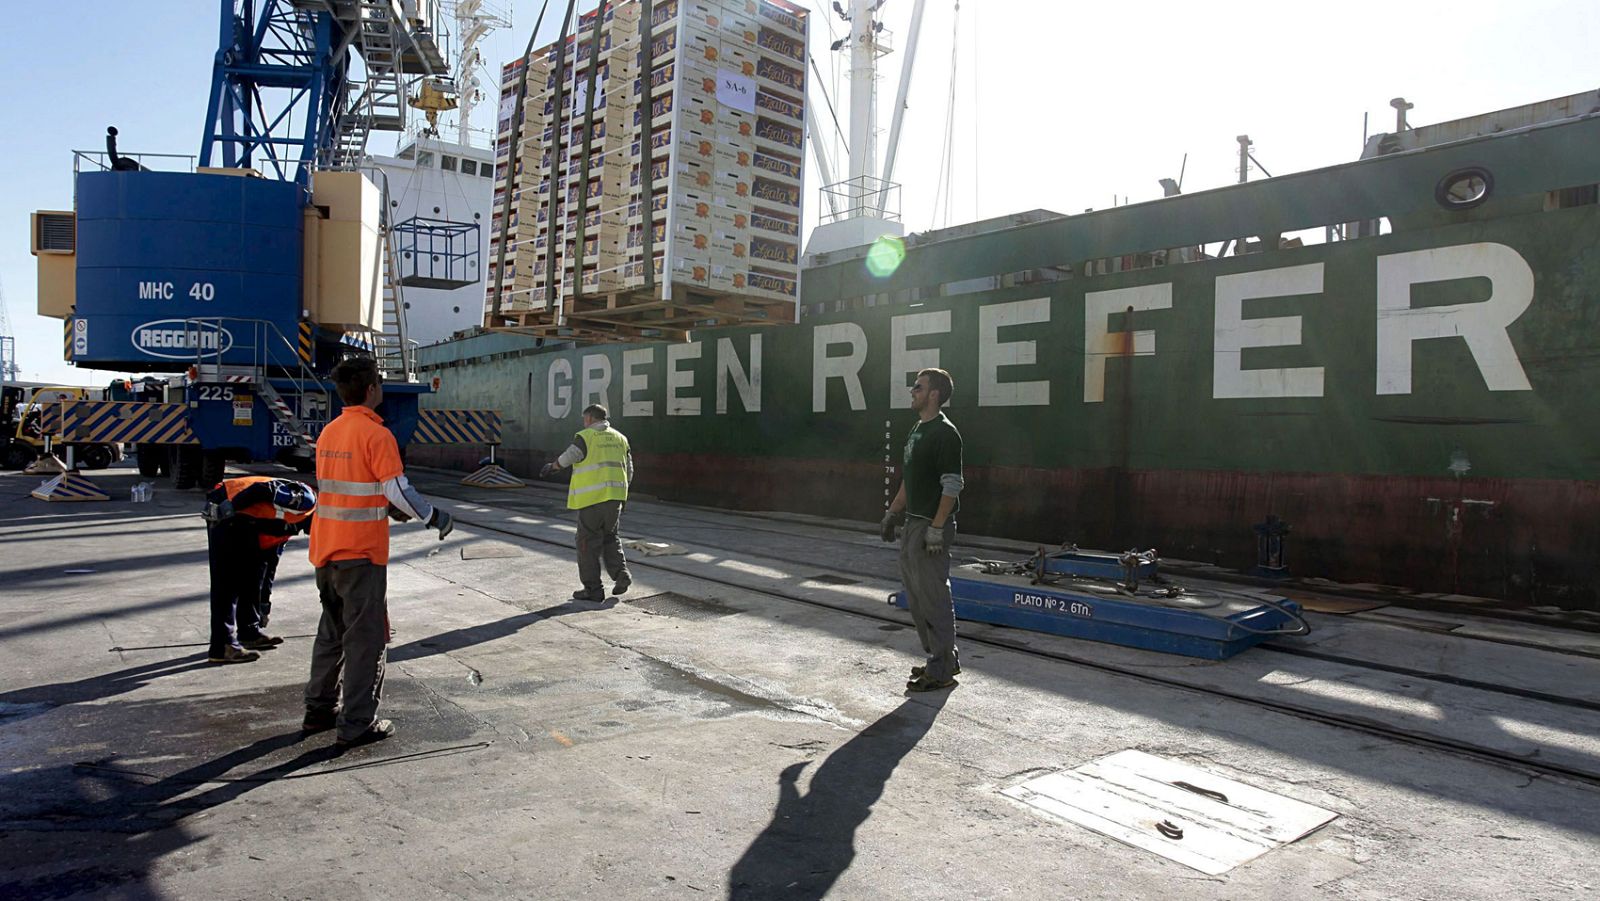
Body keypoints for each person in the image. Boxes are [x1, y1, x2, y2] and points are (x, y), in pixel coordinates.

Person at [304, 356, 454, 748]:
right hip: (362, 556)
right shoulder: (377, 435)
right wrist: (432, 516)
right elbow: (396, 487)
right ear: (372, 389)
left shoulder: (329, 433)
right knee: (366, 640)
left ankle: (318, 710)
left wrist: (387, 508)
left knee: (331, 634)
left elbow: (347, 487)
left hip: (326, 550)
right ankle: (357, 724)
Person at [881, 368, 964, 693]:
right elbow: (909, 479)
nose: (912, 391)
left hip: (931, 527)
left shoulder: (945, 433)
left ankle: (942, 668)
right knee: (916, 598)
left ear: (934, 394)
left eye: (918, 387)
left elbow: (952, 485)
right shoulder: (918, 430)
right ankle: (942, 659)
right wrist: (893, 512)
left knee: (933, 597)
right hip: (913, 523)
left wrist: (937, 529)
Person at [201, 475, 317, 664]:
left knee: (252, 575)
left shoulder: (289, 525)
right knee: (227, 582)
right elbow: (261, 490)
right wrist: (229, 508)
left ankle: (249, 632)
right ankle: (222, 646)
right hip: (227, 506)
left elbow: (268, 568)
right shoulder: (306, 501)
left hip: (244, 522)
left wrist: (264, 607)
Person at [539, 403, 633, 602]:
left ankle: (593, 589)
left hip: (592, 500)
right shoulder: (621, 439)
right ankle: (621, 574)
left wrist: (553, 466)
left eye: (585, 419)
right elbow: (629, 470)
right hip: (615, 499)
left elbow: (572, 455)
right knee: (610, 537)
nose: (584, 422)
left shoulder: (586, 436)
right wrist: (621, 493)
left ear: (589, 418)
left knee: (586, 543)